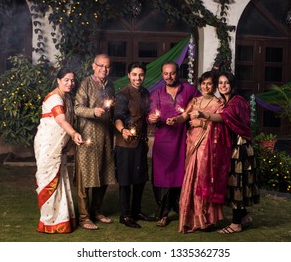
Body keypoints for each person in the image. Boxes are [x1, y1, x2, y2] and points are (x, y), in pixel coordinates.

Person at [190, 71, 260, 234]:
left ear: (232, 85)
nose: (223, 86)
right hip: (231, 146)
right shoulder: (225, 101)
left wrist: (203, 115)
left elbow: (222, 118)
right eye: (220, 83)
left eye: (226, 83)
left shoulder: (237, 102)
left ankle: (236, 224)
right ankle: (243, 217)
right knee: (232, 182)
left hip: (240, 147)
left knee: (236, 184)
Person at [166, 71, 224, 233]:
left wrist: (200, 122)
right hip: (192, 143)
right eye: (203, 83)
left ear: (214, 86)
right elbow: (184, 116)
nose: (206, 86)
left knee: (202, 178)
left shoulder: (218, 103)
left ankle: (205, 219)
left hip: (207, 145)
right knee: (190, 176)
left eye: (209, 84)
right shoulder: (195, 100)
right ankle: (191, 218)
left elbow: (220, 124)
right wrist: (175, 120)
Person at [148, 61, 200, 227]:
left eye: (172, 73)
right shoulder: (156, 94)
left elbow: (202, 103)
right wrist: (152, 118)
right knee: (162, 176)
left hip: (183, 139)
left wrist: (188, 117)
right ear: (162, 74)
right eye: (165, 73)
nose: (169, 77)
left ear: (178, 73)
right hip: (163, 141)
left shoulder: (189, 90)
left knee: (182, 175)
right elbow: (150, 115)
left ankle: (182, 210)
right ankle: (163, 213)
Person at [34, 67, 83, 234]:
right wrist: (74, 133)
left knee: (60, 178)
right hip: (48, 145)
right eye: (66, 80)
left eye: (72, 80)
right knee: (48, 180)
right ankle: (48, 221)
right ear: (58, 80)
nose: (70, 83)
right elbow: (61, 121)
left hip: (59, 145)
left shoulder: (67, 98)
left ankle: (61, 219)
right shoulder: (55, 99)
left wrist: (68, 140)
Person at [74, 54, 117, 230]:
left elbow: (112, 112)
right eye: (100, 66)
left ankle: (96, 211)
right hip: (87, 138)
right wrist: (93, 112)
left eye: (106, 67)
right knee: (85, 178)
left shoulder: (110, 86)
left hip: (105, 137)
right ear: (93, 66)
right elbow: (77, 108)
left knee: (104, 176)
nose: (103, 69)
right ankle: (84, 217)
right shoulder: (85, 83)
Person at [114, 62, 155, 228]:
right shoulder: (123, 95)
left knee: (140, 179)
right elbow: (117, 117)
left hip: (140, 142)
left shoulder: (145, 92)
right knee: (125, 180)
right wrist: (122, 129)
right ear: (129, 75)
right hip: (126, 144)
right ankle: (125, 215)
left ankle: (136, 211)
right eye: (134, 75)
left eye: (141, 75)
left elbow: (147, 114)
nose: (138, 78)